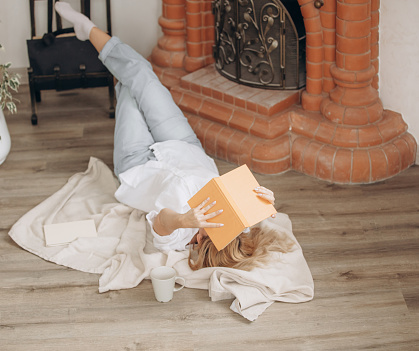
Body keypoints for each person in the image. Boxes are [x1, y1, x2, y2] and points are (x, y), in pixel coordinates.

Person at [55, 2, 295, 270]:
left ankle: (90, 34)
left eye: (206, 236)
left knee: (129, 84)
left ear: (201, 243)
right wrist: (265, 199)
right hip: (183, 146)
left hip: (137, 164)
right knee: (142, 77)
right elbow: (258, 207)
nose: (208, 229)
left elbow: (161, 223)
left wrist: (185, 220)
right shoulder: (239, 224)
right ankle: (87, 29)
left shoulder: (178, 238)